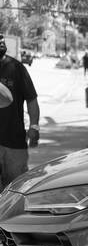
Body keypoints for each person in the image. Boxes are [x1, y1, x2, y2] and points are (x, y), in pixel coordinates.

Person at [0, 36, 39, 188]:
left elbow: (31, 99)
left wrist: (34, 126)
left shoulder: (16, 68)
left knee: (15, 192)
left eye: (2, 39)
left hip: (14, 143)